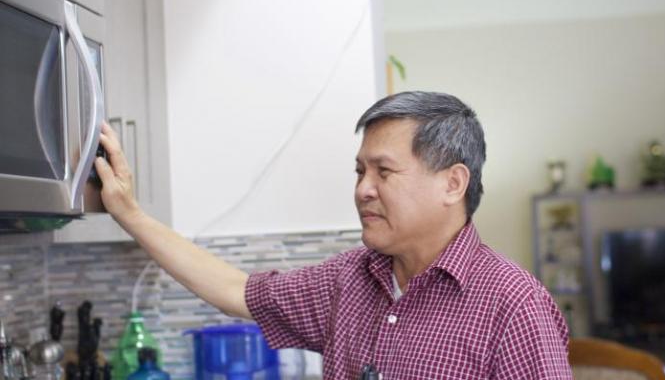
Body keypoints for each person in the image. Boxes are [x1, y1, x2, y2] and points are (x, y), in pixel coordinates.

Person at [95, 91, 572, 379]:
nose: (363, 189)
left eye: (384, 172)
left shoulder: (514, 306)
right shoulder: (349, 280)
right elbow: (235, 291)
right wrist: (130, 214)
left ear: (452, 183)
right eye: (360, 171)